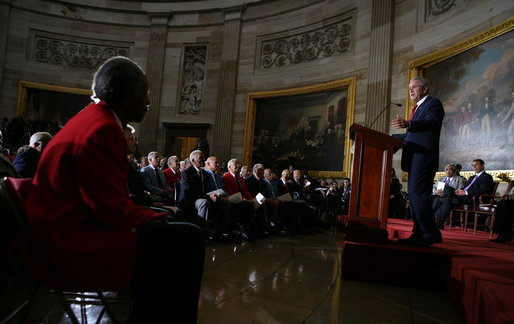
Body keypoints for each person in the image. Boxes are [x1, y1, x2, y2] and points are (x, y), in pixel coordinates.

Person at [24, 56, 205, 323]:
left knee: (173, 230)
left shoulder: (94, 119)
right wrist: (154, 217)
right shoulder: (103, 129)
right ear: (127, 95)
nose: (147, 101)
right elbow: (109, 209)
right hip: (69, 239)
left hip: (67, 223)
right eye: (144, 93)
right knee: (188, 237)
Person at [392, 77, 444, 246]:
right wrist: (393, 139)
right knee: (415, 196)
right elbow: (413, 134)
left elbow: (431, 122)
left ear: (425, 88)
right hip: (415, 158)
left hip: (424, 158)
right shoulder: (417, 108)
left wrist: (409, 124)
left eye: (414, 87)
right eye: (409, 88)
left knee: (418, 195)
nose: (411, 91)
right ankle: (420, 232)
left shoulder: (433, 104)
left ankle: (430, 233)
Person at [433, 159, 495, 229]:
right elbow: (466, 187)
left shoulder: (487, 177)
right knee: (445, 192)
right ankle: (437, 221)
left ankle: (437, 221)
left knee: (444, 198)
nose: (474, 167)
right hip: (462, 196)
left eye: (476, 165)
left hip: (472, 198)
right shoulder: (472, 177)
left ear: (482, 165)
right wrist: (460, 191)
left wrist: (465, 192)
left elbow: (482, 190)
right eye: (473, 165)